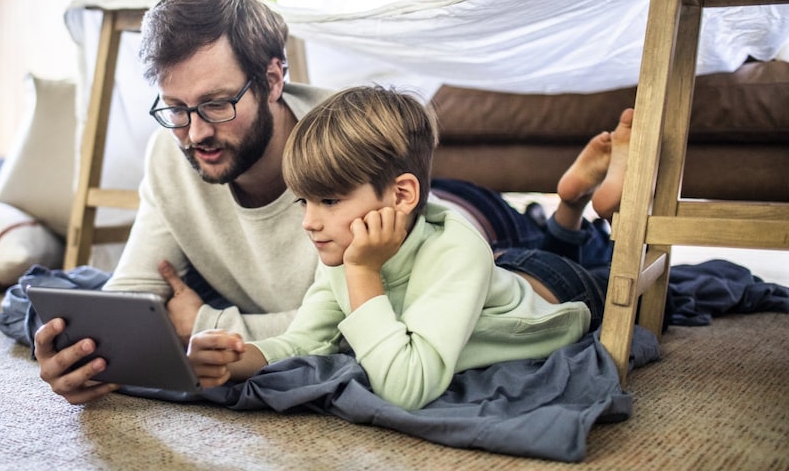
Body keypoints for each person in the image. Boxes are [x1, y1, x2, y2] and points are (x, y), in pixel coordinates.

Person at [187, 86, 631, 411]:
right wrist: (236, 359)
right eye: (304, 201)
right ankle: (571, 202)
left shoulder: (443, 252)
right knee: (524, 258)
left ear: (401, 195)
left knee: (625, 283)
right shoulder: (346, 253)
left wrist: (363, 273)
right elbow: (306, 341)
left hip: (557, 290)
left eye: (329, 200)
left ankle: (598, 209)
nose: (309, 222)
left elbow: (406, 387)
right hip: (496, 272)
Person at [35, 0, 334, 404]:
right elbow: (132, 294)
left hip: (435, 216)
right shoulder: (170, 153)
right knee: (40, 306)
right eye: (175, 108)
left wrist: (203, 322)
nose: (195, 134)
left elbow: (357, 321)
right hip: (248, 296)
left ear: (272, 80)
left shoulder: (346, 147)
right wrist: (90, 356)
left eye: (216, 104)